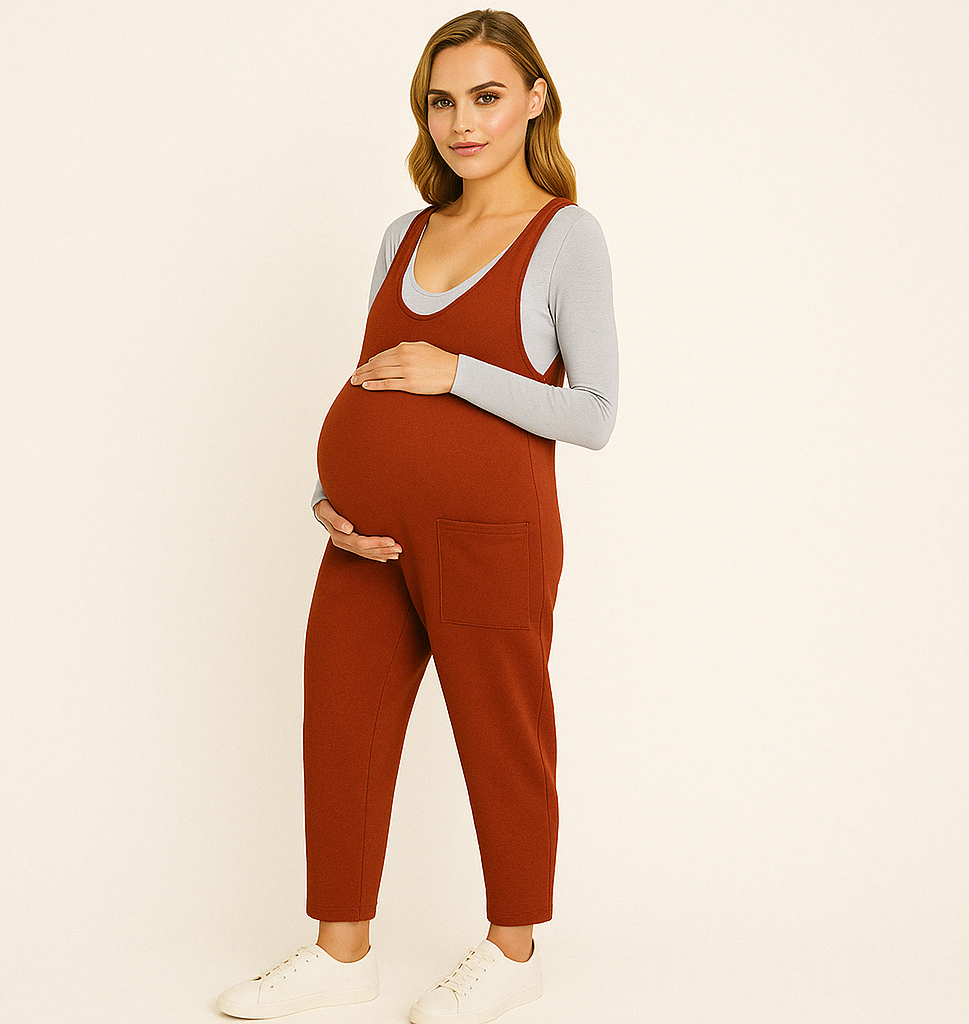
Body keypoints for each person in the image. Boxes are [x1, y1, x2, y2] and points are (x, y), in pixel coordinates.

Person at [217, 9, 618, 1023]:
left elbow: (595, 414)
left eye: (486, 96)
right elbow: (368, 380)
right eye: (442, 102)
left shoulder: (566, 237)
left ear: (535, 100)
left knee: (501, 735)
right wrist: (327, 494)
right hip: (366, 540)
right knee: (339, 723)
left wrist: (459, 371)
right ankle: (340, 953)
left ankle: (514, 949)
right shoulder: (404, 234)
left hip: (492, 537)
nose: (461, 122)